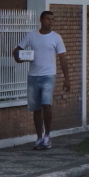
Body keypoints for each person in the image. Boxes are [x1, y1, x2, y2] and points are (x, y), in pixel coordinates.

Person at [13, 10, 71, 150]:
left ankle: (47, 136)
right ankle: (39, 137)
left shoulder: (56, 38)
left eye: (52, 19)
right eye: (48, 19)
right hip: (33, 76)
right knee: (36, 108)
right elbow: (18, 50)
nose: (50, 22)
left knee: (46, 105)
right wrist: (18, 57)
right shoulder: (31, 36)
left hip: (48, 76)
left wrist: (67, 78)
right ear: (41, 20)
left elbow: (62, 58)